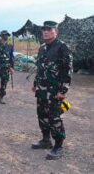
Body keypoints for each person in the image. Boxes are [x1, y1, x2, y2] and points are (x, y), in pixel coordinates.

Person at [31, 21, 73, 160]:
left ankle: (58, 146)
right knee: (42, 115)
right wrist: (35, 83)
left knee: (54, 117)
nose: (45, 31)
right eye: (44, 29)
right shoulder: (42, 48)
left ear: (56, 31)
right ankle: (46, 140)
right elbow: (40, 67)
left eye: (49, 29)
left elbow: (68, 71)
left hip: (55, 91)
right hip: (42, 90)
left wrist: (63, 91)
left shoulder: (62, 47)